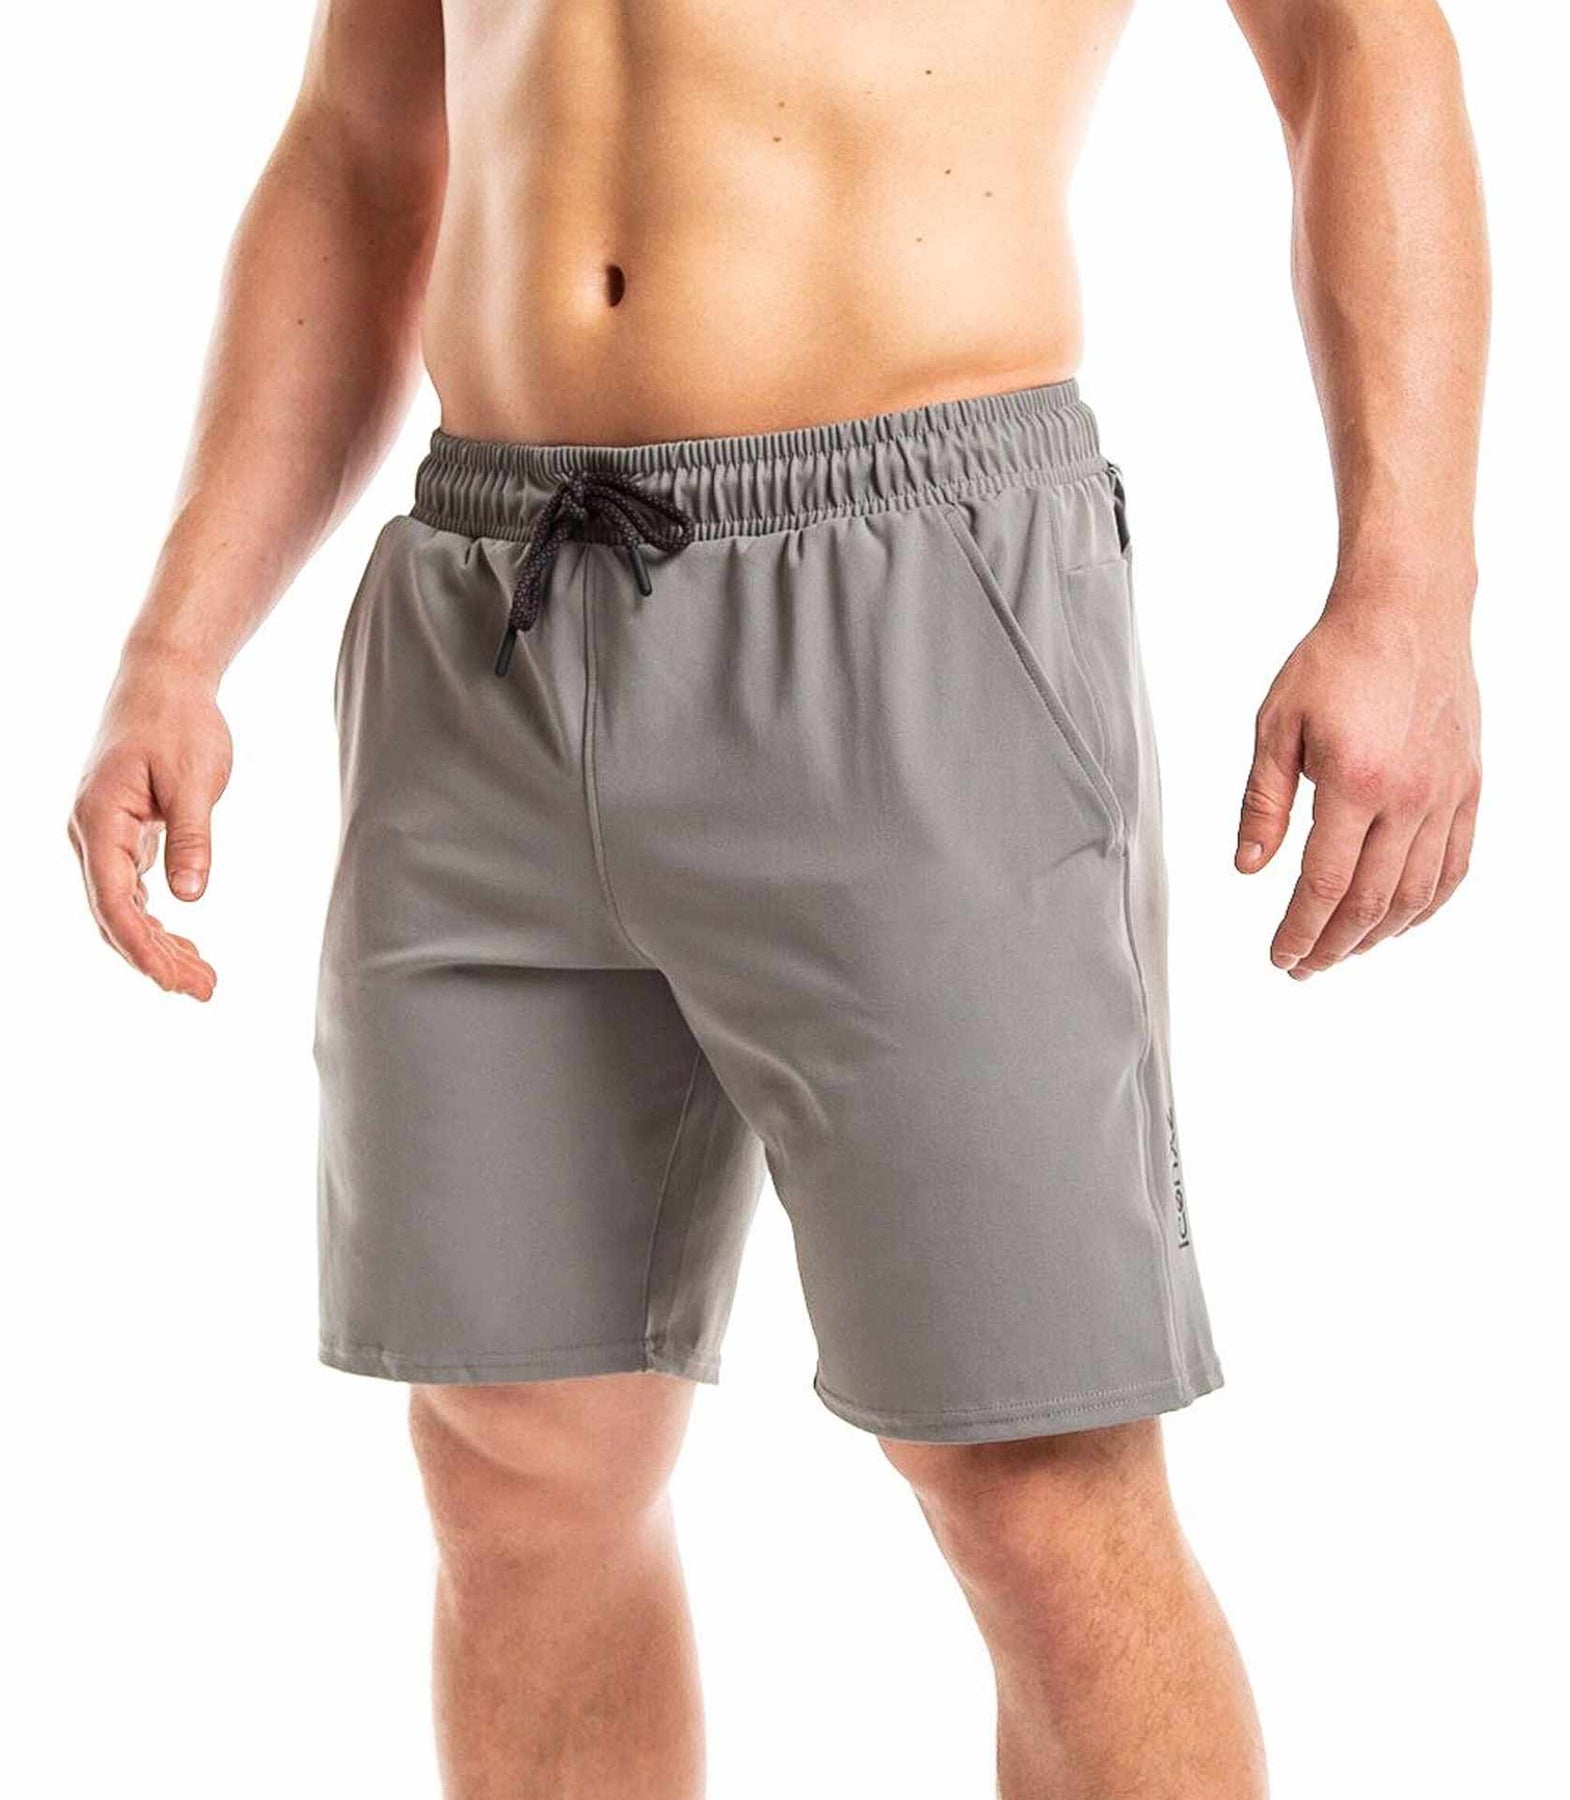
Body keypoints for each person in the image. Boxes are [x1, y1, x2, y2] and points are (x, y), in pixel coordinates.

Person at [68, 0, 1487, 1793]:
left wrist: (1409, 586)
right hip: (485, 609)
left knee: (1032, 1484)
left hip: (907, 588)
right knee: (515, 1458)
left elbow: (1359, 42)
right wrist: (177, 642)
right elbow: (359, 153)